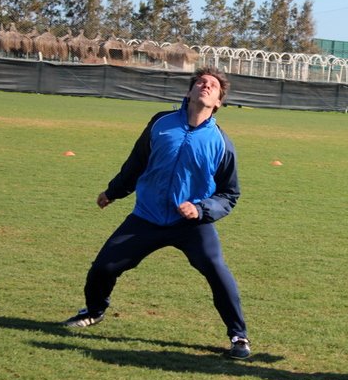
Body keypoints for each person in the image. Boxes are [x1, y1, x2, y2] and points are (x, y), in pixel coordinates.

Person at [63, 66, 250, 360]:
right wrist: (113, 192)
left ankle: (239, 336)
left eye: (212, 86)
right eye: (199, 82)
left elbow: (229, 194)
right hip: (147, 216)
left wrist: (201, 209)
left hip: (190, 224)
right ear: (188, 92)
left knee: (216, 270)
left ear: (218, 103)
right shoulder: (161, 123)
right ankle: (94, 311)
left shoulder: (222, 144)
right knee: (104, 268)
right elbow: (136, 162)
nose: (204, 86)